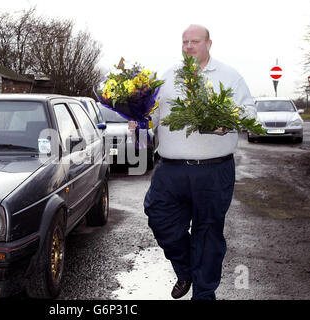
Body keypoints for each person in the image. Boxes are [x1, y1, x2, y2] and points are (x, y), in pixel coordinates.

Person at [135, 24, 256, 300]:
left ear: (209, 44)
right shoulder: (168, 78)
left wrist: (227, 121)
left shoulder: (230, 76)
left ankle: (203, 292)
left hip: (214, 171)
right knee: (159, 217)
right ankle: (187, 269)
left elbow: (249, 111)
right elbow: (152, 116)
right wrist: (139, 121)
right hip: (170, 170)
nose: (189, 46)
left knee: (208, 232)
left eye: (195, 41)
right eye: (185, 41)